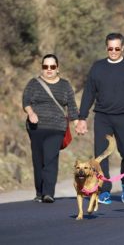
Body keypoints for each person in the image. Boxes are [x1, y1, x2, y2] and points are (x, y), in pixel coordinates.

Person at [76, 33, 124, 205]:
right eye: (110, 48)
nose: (113, 51)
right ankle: (104, 190)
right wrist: (82, 117)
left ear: (122, 47)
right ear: (106, 48)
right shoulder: (98, 67)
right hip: (102, 117)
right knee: (100, 156)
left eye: (117, 48)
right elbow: (89, 93)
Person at [22, 54, 78, 203]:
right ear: (42, 68)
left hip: (57, 128)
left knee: (50, 158)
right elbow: (26, 101)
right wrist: (31, 112)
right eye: (45, 66)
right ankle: (39, 192)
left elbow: (72, 106)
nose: (48, 70)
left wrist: (78, 122)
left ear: (57, 69)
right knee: (38, 160)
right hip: (36, 128)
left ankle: (48, 193)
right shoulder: (33, 83)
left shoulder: (65, 85)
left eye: (52, 67)